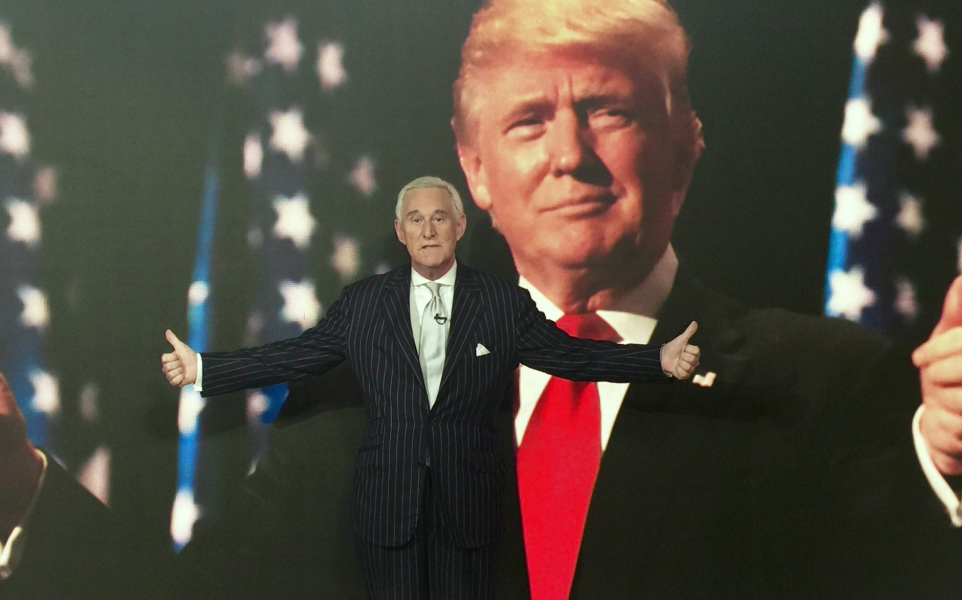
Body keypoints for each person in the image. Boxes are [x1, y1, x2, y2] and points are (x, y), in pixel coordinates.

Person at [444, 0, 962, 598]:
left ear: (683, 149)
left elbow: (905, 565)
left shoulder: (826, 384)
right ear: (476, 170)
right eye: (529, 121)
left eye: (608, 112)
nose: (569, 155)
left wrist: (944, 461)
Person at [160, 175, 701, 600]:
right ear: (400, 232)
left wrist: (657, 360)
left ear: (459, 226)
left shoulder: (499, 303)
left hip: (468, 511)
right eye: (415, 220)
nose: (428, 230)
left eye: (439, 217)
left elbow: (572, 355)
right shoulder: (365, 303)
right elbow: (297, 355)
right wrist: (204, 368)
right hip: (388, 510)